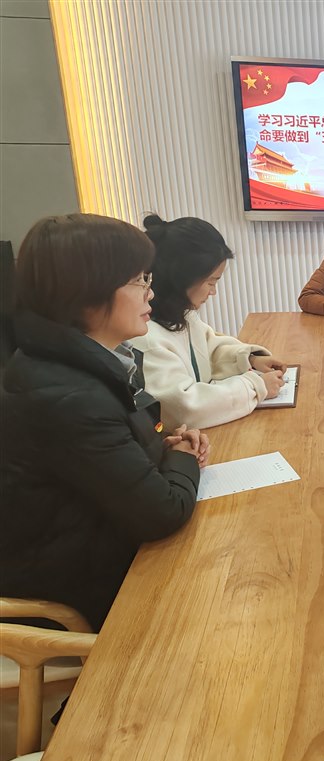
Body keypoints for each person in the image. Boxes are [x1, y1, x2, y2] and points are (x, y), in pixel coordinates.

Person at [1, 214, 207, 631]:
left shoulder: (86, 360)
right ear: (87, 292)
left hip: (100, 545)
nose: (151, 292)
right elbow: (163, 512)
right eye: (138, 280)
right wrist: (184, 455)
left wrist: (166, 447)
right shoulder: (68, 396)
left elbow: (121, 453)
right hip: (80, 591)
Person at [130, 214, 286, 430]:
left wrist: (249, 359)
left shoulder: (182, 316)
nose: (213, 292)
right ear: (181, 278)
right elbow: (184, 408)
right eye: (211, 282)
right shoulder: (145, 337)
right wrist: (255, 386)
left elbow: (209, 347)